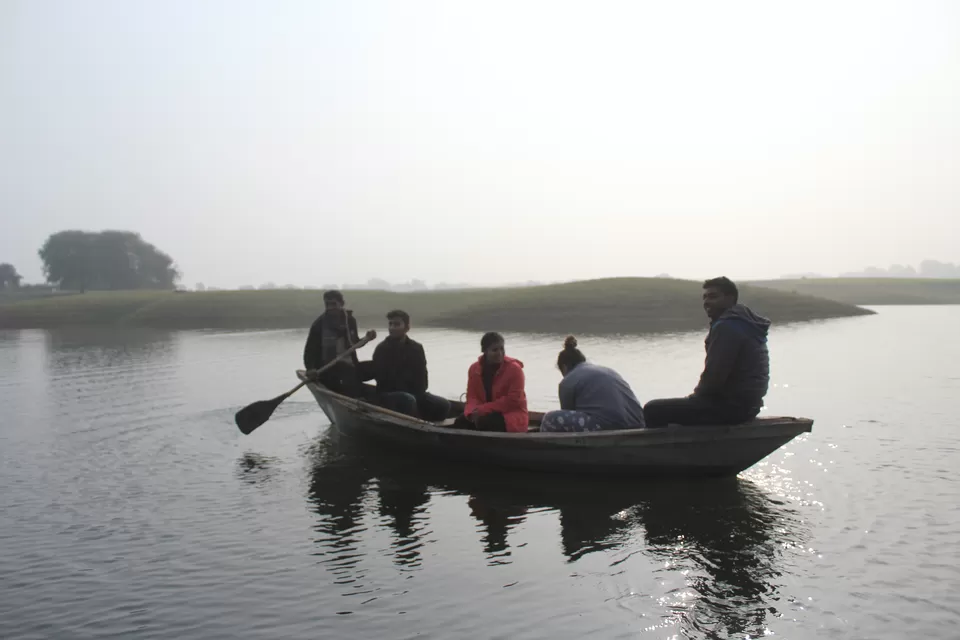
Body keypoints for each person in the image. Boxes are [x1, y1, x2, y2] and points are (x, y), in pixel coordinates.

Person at [643, 277, 770, 427]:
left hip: (732, 408)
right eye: (705, 297)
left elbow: (714, 376)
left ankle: (677, 443)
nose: (707, 302)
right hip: (749, 406)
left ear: (730, 298)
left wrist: (695, 400)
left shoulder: (727, 327)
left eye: (713, 297)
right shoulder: (744, 322)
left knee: (653, 409)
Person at [540, 336, 646, 432]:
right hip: (638, 423)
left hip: (610, 425)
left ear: (564, 367)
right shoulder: (608, 370)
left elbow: (568, 411)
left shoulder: (568, 381)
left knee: (549, 419)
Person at [369, 309, 451, 421]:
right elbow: (383, 380)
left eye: (397, 324)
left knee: (444, 404)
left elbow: (422, 375)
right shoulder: (382, 349)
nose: (392, 328)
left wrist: (419, 393)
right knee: (408, 399)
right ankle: (416, 425)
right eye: (390, 324)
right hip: (388, 394)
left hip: (413, 392)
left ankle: (433, 426)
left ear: (407, 328)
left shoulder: (416, 348)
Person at [302, 290, 373, 397]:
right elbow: (310, 350)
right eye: (327, 304)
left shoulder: (350, 320)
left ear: (342, 303)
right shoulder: (319, 324)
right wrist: (310, 369)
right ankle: (356, 395)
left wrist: (367, 338)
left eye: (333, 304)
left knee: (378, 366)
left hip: (351, 365)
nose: (330, 308)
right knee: (346, 373)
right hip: (328, 368)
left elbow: (354, 343)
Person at [455, 332, 529, 433]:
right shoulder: (474, 369)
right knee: (460, 422)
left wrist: (483, 409)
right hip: (483, 412)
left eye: (502, 349)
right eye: (495, 350)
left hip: (511, 415)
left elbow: (513, 400)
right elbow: (472, 396)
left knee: (485, 422)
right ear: (484, 351)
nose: (500, 353)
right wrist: (472, 412)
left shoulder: (515, 370)